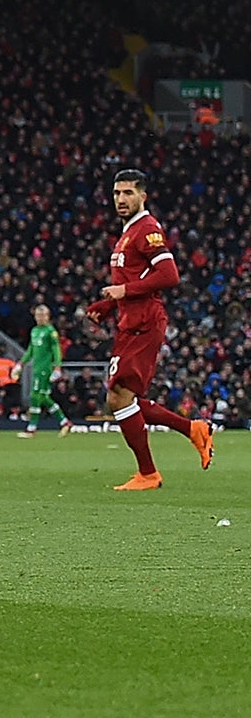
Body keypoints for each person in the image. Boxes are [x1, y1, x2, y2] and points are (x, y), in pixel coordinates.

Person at [83, 170, 214, 488]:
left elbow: (169, 276)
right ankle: (192, 429)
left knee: (118, 398)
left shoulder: (147, 230)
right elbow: (128, 282)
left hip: (144, 322)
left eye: (128, 193)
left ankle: (148, 473)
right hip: (130, 322)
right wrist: (107, 305)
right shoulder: (127, 233)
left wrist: (124, 293)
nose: (121, 199)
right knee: (122, 398)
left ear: (143, 195)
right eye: (116, 193)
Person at [17, 303, 71, 437]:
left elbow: (56, 350)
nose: (40, 318)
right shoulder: (34, 331)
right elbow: (30, 350)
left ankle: (31, 428)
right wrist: (21, 364)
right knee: (44, 398)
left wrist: (57, 367)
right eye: (38, 315)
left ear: (48, 317)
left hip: (44, 370)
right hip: (36, 368)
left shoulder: (50, 332)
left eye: (43, 315)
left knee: (35, 397)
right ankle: (64, 422)